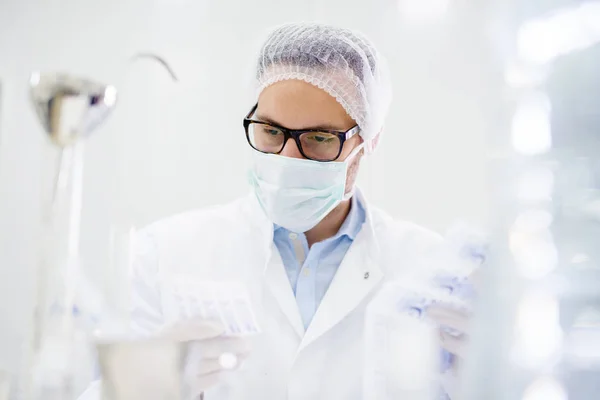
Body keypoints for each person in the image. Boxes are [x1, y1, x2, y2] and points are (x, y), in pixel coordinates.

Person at [81, 22, 473, 400]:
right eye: (270, 131)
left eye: (318, 138)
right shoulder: (164, 252)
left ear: (368, 140)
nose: (286, 158)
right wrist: (146, 385)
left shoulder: (428, 269)